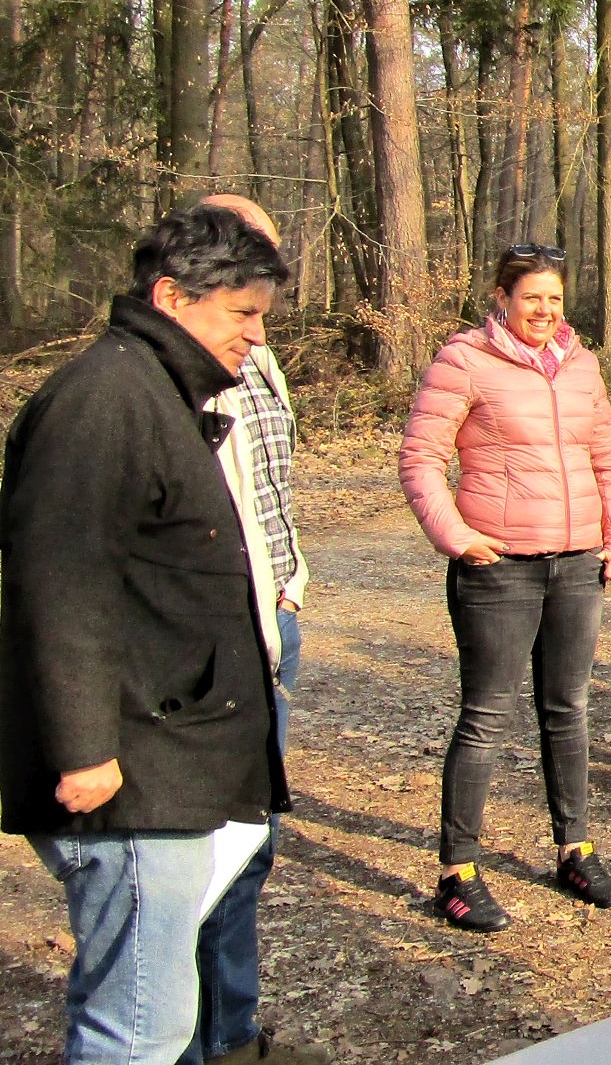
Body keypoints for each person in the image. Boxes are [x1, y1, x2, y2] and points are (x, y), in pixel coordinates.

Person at [2, 204, 291, 1063]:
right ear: (172, 296)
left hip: (170, 759)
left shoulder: (155, 389)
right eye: (241, 314)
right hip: (130, 780)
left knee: (153, 1012)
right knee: (136, 1026)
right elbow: (58, 587)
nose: (254, 337)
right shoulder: (103, 403)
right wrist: (84, 749)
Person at [399, 244, 611, 932]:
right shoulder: (463, 359)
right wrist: (456, 535)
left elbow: (607, 457)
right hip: (497, 565)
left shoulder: (582, 364)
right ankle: (457, 871)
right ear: (503, 297)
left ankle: (574, 847)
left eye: (555, 299)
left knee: (567, 707)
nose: (544, 310)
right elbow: (420, 458)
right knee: (487, 714)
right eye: (532, 297)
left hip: (577, 563)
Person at [186, 196, 323, 1064]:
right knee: (209, 853)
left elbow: (269, 490)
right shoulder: (183, 376)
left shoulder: (262, 361)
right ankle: (197, 1042)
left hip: (274, 617)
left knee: (252, 843)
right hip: (215, 636)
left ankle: (231, 1030)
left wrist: (294, 580)